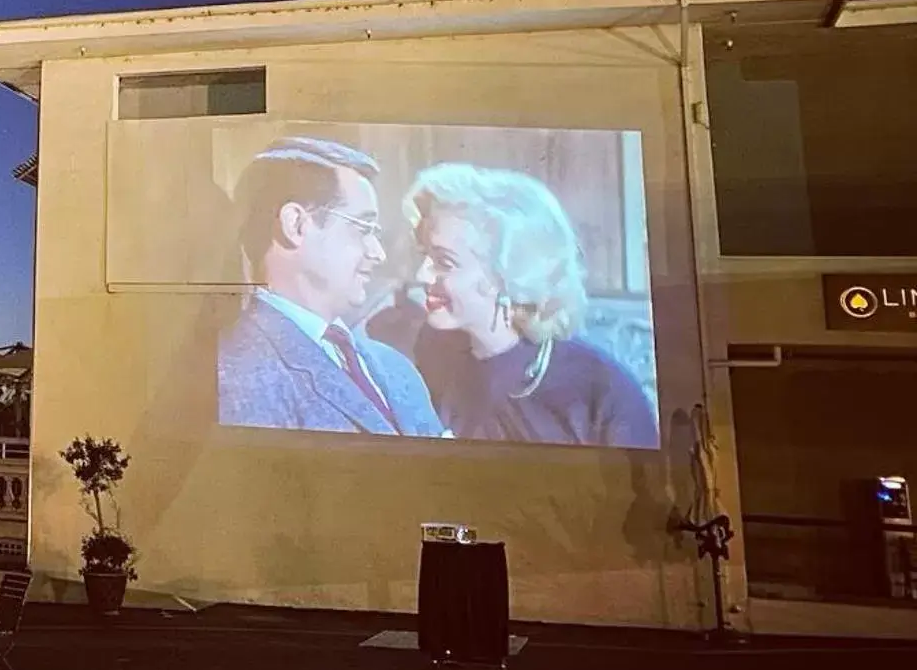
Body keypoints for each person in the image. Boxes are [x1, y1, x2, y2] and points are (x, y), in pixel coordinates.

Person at [405, 162, 659, 448]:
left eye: (444, 262)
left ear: (508, 276)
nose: (421, 275)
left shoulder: (601, 393)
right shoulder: (429, 354)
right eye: (425, 255)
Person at [217, 137, 444, 436]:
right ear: (296, 225)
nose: (378, 252)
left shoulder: (395, 368)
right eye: (362, 228)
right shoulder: (239, 377)